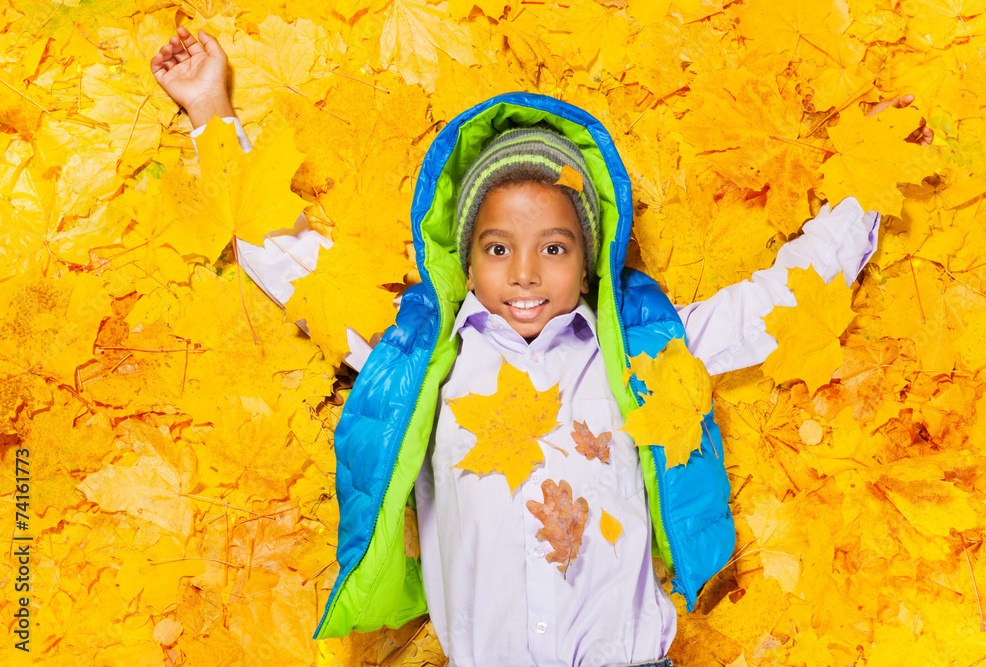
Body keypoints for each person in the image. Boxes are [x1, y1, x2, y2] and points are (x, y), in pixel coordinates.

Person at [152, 27, 929, 667]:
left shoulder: (644, 346)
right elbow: (292, 267)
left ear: (591, 254)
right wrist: (211, 112)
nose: (525, 273)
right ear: (463, 254)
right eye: (497, 248)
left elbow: (771, 306)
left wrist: (870, 183)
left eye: (554, 248)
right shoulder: (421, 355)